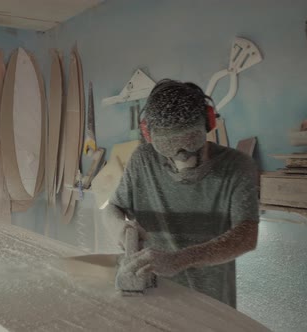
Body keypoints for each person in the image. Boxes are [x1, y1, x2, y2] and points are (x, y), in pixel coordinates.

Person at [105, 79, 259, 308]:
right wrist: (119, 227)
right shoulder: (143, 161)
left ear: (208, 121)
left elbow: (246, 236)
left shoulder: (237, 166)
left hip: (210, 303)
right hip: (153, 297)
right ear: (149, 134)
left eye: (190, 139)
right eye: (168, 144)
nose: (181, 153)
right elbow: (113, 207)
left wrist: (181, 259)